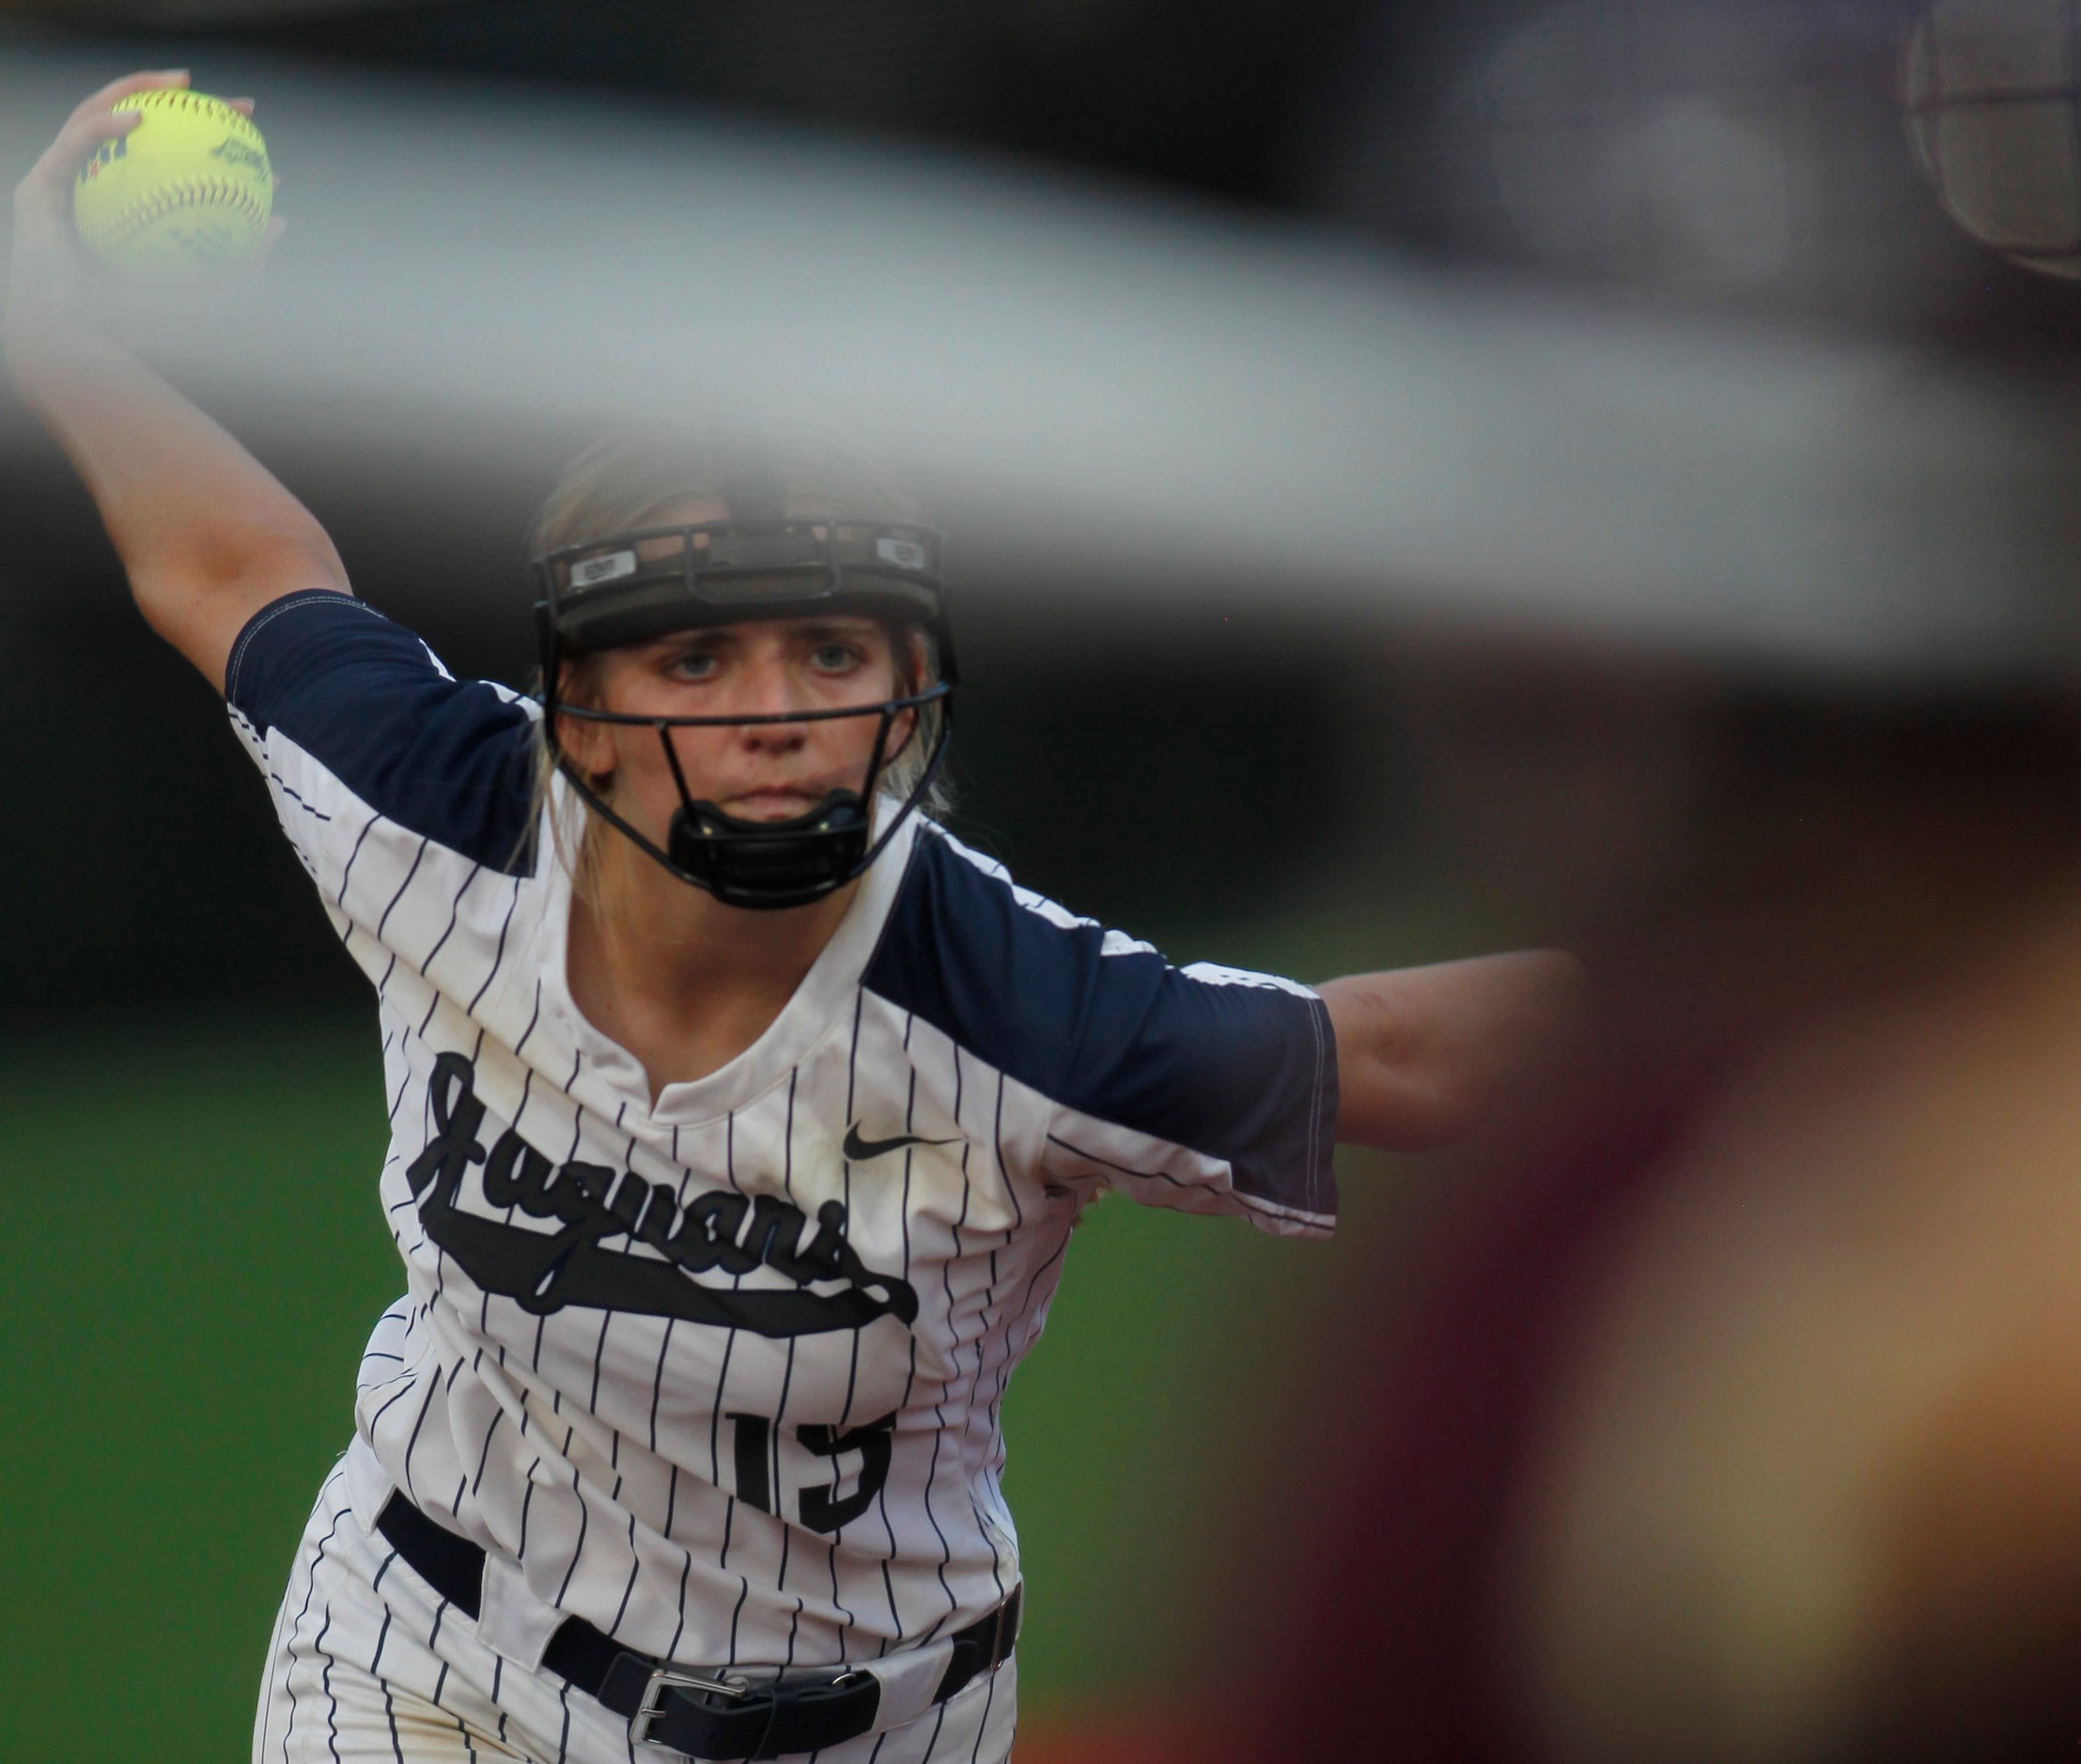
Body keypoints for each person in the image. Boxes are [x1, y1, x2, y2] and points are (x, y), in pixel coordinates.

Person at [7, 71, 1588, 1764]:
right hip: (419, 1663)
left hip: (862, 1727)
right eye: (697, 654)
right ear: (581, 705)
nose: (774, 712)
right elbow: (238, 567)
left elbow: (1393, 1054)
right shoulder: (440, 810)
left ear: (909, 693)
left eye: (831, 654)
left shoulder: (1012, 1011)